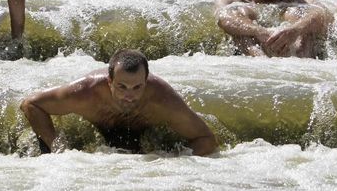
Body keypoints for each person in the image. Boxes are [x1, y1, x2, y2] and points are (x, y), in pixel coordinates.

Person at [20, 49, 218, 156]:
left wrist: (170, 161)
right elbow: (31, 104)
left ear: (146, 81)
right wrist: (59, 147)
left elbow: (206, 139)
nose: (129, 95)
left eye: (137, 87)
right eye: (122, 87)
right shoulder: (86, 92)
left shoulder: (163, 99)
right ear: (109, 82)